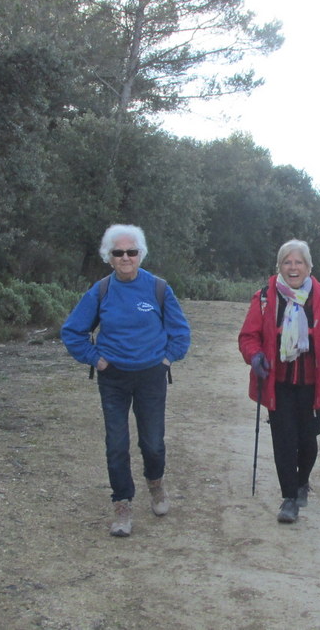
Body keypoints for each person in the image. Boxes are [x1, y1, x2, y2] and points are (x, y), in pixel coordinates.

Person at [61, 224, 191, 537]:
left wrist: (166, 358)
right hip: (113, 377)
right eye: (118, 253)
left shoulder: (159, 288)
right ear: (109, 257)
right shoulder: (101, 290)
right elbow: (72, 331)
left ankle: (156, 484)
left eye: (131, 252)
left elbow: (181, 332)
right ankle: (122, 504)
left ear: (141, 254)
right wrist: (95, 359)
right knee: (116, 444)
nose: (125, 257)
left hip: (151, 376)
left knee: (153, 443)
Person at [238, 239, 320, 524]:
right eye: (287, 262)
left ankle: (303, 482)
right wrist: (254, 356)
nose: (293, 267)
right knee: (284, 440)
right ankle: (289, 497)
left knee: (308, 439)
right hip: (278, 383)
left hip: (313, 383)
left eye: (298, 262)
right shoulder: (264, 298)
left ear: (308, 267)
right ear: (279, 267)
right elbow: (248, 337)